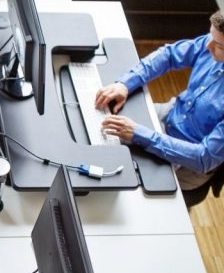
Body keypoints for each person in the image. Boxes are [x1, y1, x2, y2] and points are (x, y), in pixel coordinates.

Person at [95, 10, 224, 199]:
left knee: (127, 191)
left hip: (187, 157)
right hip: (170, 114)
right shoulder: (212, 42)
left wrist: (140, 134)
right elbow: (169, 55)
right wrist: (125, 83)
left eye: (219, 45)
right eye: (210, 36)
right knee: (102, 126)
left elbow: (203, 158)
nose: (208, 45)